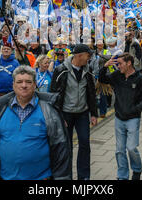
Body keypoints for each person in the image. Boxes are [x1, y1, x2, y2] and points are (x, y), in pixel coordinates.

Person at [0, 65, 71, 180]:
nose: (24, 85)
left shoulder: (50, 110)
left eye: (28, 82)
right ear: (13, 85)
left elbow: (61, 148)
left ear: (35, 85)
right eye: (19, 82)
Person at [99, 53, 142, 180]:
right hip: (119, 118)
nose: (118, 66)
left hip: (133, 119)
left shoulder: (140, 79)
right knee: (119, 150)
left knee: (131, 148)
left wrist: (136, 109)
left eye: (120, 64)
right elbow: (102, 79)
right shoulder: (117, 76)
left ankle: (137, 170)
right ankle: (122, 176)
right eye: (117, 64)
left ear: (129, 63)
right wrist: (105, 67)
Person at [50, 44, 98, 180]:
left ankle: (84, 177)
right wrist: (58, 116)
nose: (89, 59)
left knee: (84, 144)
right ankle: (67, 176)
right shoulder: (60, 70)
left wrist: (93, 114)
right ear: (79, 55)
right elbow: (53, 94)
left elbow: (91, 94)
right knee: (66, 147)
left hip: (82, 114)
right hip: (65, 114)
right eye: (88, 56)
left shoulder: (88, 72)